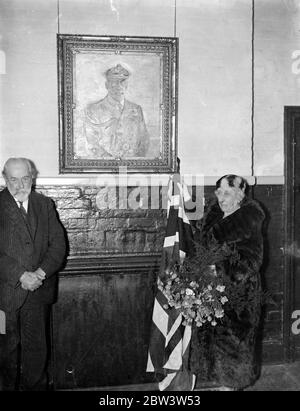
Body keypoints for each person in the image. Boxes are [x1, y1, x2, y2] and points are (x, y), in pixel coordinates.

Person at [189, 174, 265, 390]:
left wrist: (219, 269)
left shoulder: (249, 219)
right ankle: (222, 383)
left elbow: (253, 260)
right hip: (211, 291)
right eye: (219, 192)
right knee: (214, 340)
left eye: (227, 193)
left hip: (239, 294)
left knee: (234, 342)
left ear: (240, 194)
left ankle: (231, 385)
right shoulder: (214, 216)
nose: (221, 197)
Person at [0, 157, 66, 391]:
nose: (19, 185)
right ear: (5, 179)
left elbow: (58, 245)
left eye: (25, 178)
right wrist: (21, 275)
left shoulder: (44, 204)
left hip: (38, 293)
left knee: (37, 353)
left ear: (33, 177)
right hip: (4, 297)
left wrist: (39, 273)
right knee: (4, 353)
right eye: (13, 180)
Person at [85, 63, 149, 158]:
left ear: (126, 85)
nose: (118, 86)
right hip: (105, 167)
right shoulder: (93, 110)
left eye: (122, 82)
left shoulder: (136, 109)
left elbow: (143, 141)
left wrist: (134, 163)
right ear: (107, 85)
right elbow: (92, 145)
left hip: (133, 167)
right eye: (114, 82)